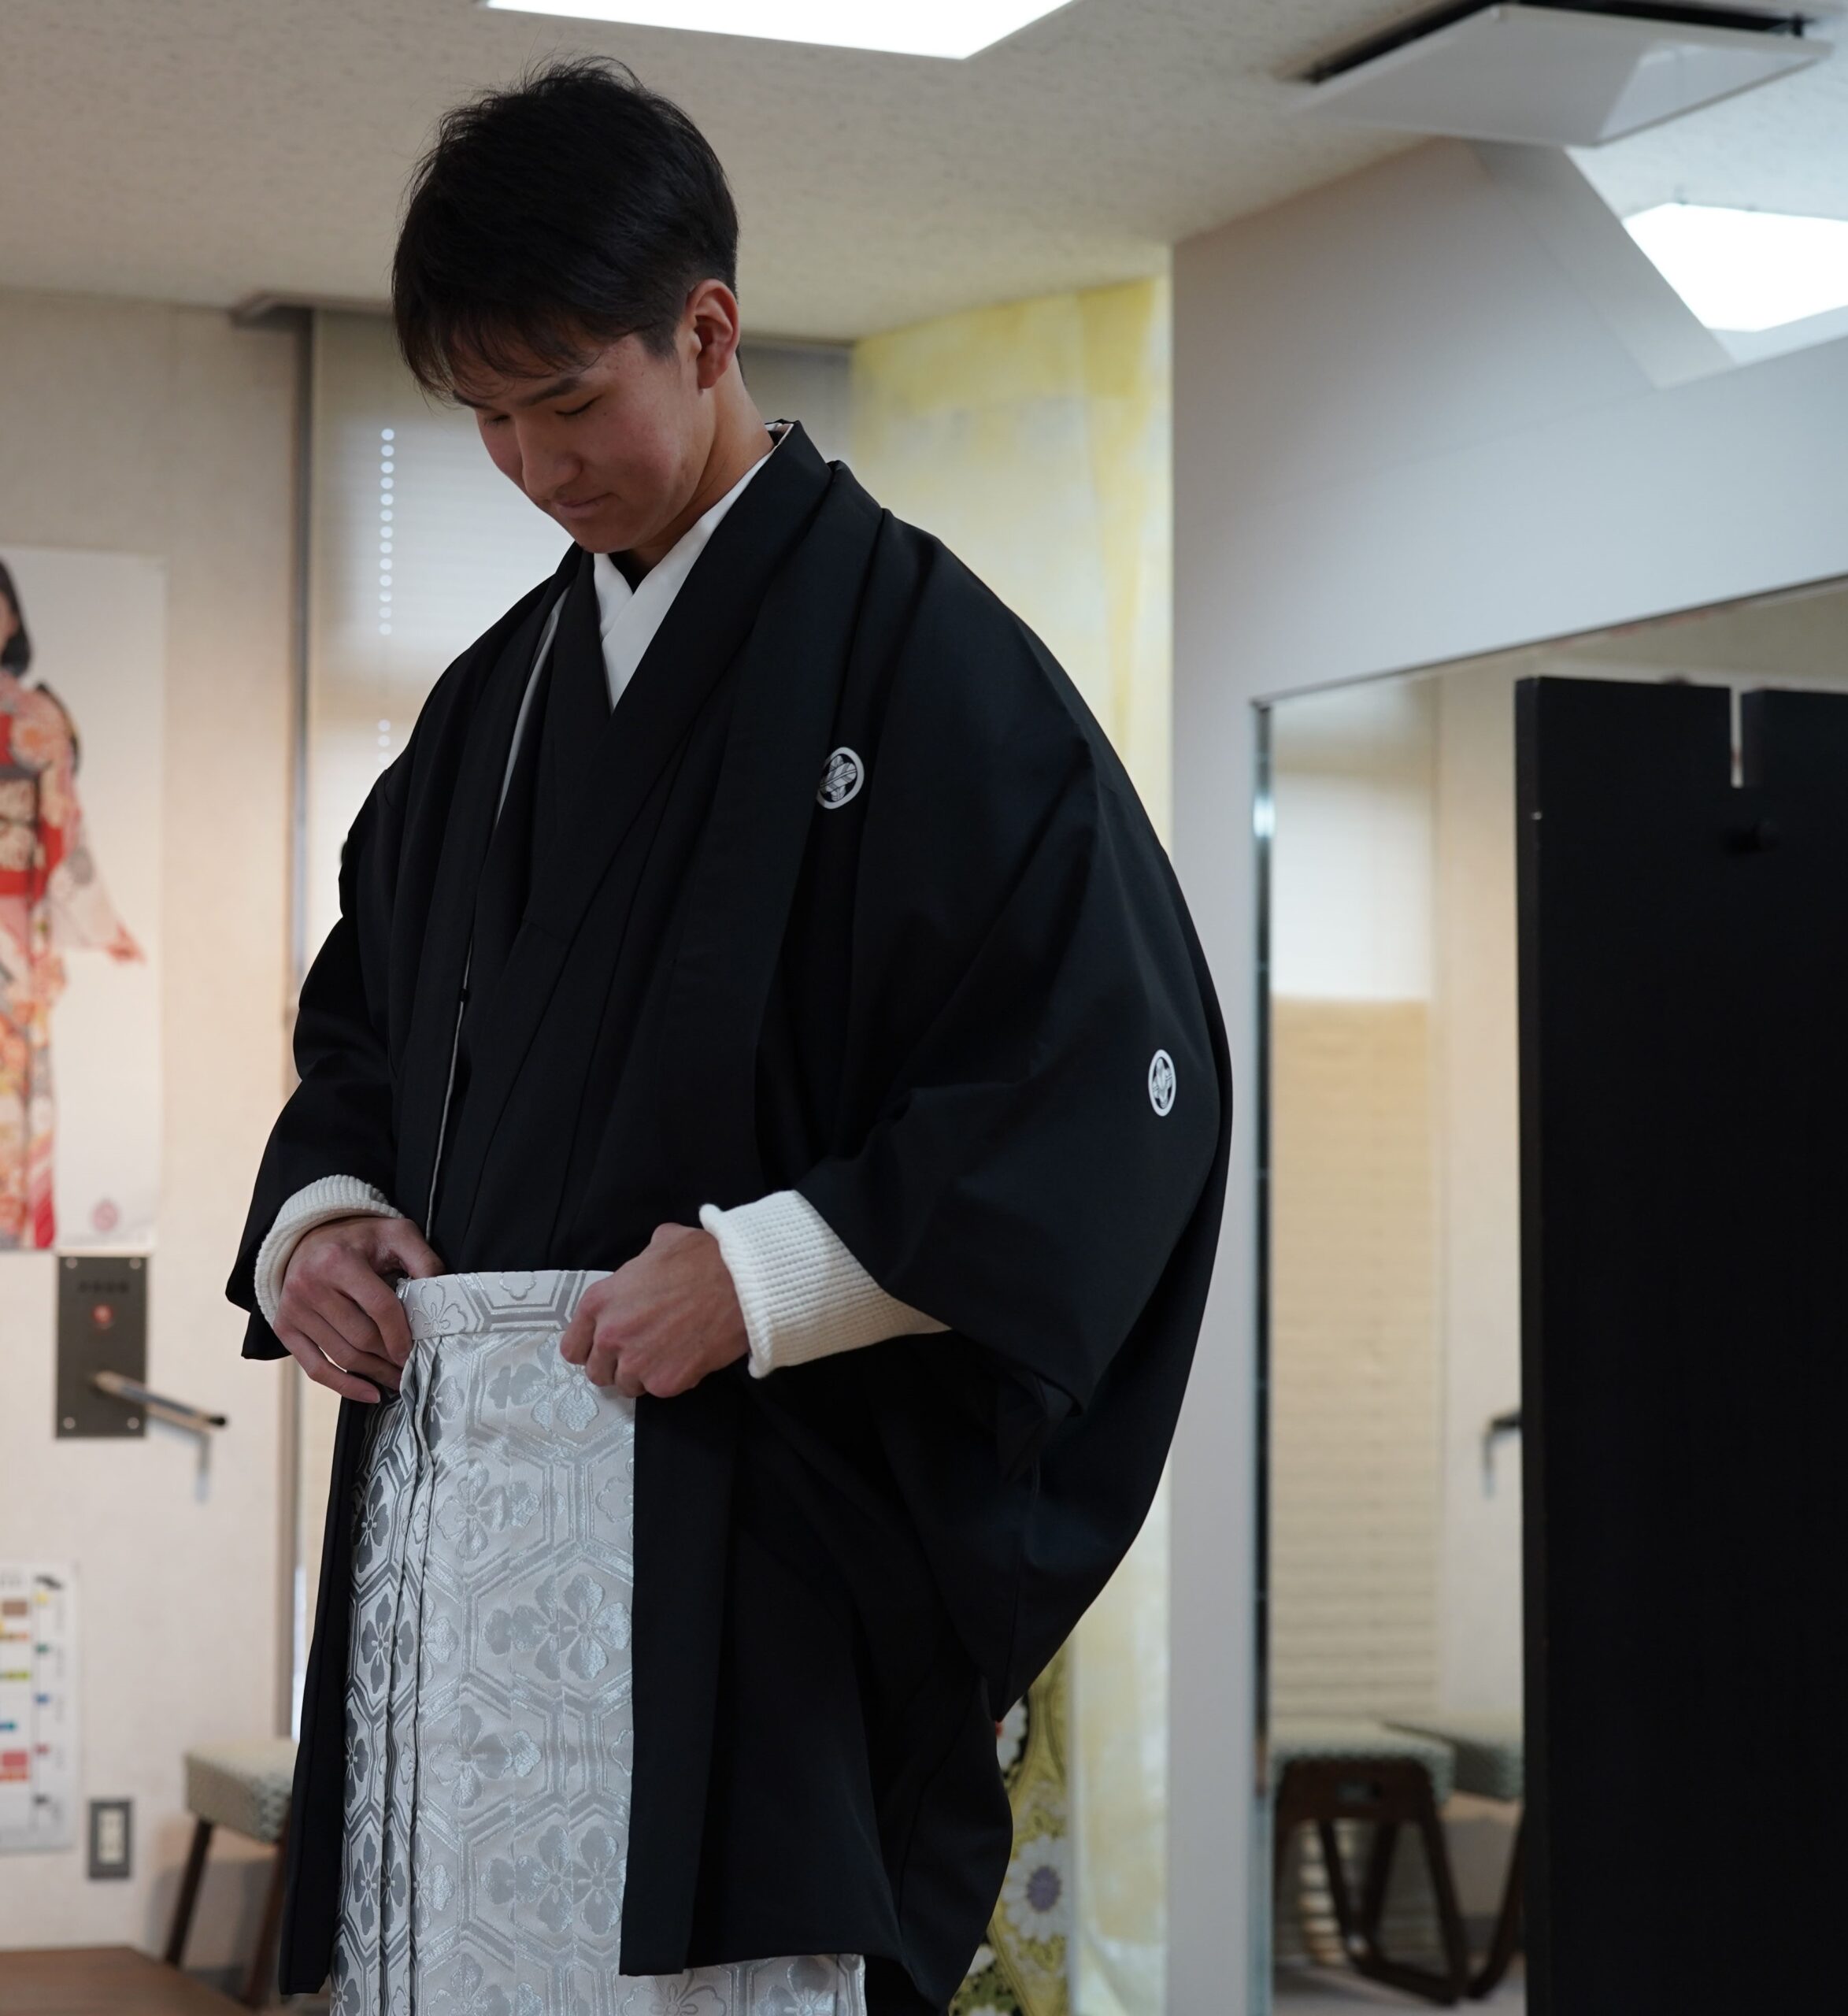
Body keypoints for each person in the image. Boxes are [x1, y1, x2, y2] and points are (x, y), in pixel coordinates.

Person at [228, 58, 1229, 2016]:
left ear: (705, 333)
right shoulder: (495, 700)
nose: (533, 465)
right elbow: (366, 1018)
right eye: (486, 418)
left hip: (758, 1521)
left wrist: (772, 1270)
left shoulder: (931, 666)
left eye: (567, 399)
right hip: (467, 1541)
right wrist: (323, 1218)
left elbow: (1107, 1078)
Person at [0, 558, 141, 1249]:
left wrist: (102, 926)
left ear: (13, 618)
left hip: (13, 914)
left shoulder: (38, 716)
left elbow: (62, 825)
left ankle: (9, 1210)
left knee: (12, 1064)